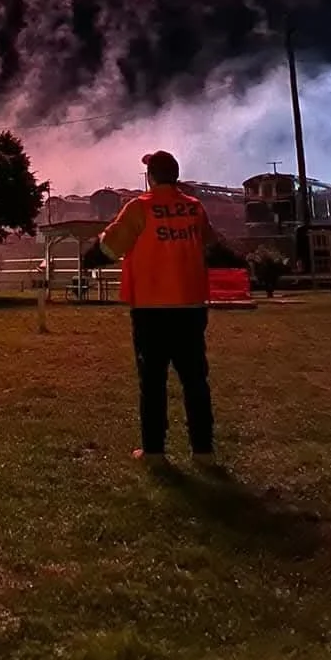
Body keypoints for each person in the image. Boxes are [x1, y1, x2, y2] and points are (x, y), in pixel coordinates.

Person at [97, 151, 218, 466]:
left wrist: (91, 254)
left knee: (152, 381)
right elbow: (209, 244)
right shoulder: (194, 208)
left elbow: (110, 247)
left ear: (150, 176)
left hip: (151, 308)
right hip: (191, 307)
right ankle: (203, 452)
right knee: (195, 380)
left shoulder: (139, 208)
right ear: (175, 176)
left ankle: (154, 453)